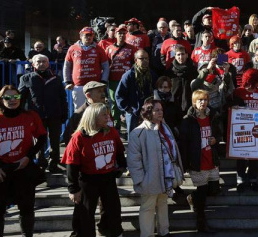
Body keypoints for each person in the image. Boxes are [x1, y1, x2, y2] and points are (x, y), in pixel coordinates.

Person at [61, 103, 126, 237]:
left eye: (107, 114)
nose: (107, 117)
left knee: (113, 210)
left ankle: (113, 232)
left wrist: (121, 166)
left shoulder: (111, 132)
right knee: (85, 213)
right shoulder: (79, 137)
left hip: (108, 178)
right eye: (103, 114)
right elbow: (71, 164)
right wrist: (73, 189)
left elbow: (119, 151)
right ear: (93, 117)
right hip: (87, 179)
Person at [127, 99, 183, 237]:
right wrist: (141, 180)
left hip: (165, 176)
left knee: (163, 203)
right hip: (149, 179)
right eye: (156, 110)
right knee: (148, 207)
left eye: (161, 110)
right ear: (148, 112)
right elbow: (134, 160)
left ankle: (164, 232)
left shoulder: (165, 127)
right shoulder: (138, 133)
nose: (160, 112)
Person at [0, 85, 47, 237]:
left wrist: (28, 157)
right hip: (1, 170)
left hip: (23, 168)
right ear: (1, 100)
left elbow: (42, 137)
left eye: (16, 97)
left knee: (26, 208)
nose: (12, 100)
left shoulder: (31, 116)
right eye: (8, 97)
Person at [179, 90, 221, 233]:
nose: (203, 102)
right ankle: (201, 223)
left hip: (211, 159)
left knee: (214, 189)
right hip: (197, 161)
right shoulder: (188, 120)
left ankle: (192, 197)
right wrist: (185, 164)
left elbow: (219, 133)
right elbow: (184, 143)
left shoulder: (213, 116)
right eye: (200, 100)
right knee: (202, 195)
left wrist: (216, 140)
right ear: (194, 102)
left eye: (205, 100)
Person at [18, 54, 67, 173]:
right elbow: (21, 98)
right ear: (33, 64)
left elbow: (62, 97)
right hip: (36, 116)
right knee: (39, 141)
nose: (42, 64)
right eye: (38, 61)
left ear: (48, 63)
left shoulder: (56, 78)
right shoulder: (26, 78)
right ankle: (41, 163)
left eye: (44, 61)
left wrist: (64, 113)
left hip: (54, 114)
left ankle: (54, 163)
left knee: (55, 140)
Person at [232, 69, 258, 192]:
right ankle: (240, 179)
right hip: (241, 128)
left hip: (256, 129)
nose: (257, 84)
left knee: (254, 156)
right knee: (240, 156)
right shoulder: (238, 92)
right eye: (256, 81)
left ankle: (253, 179)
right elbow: (231, 107)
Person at [63, 27, 109, 109]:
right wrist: (67, 81)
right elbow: (67, 66)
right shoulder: (72, 48)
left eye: (90, 35)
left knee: (96, 110)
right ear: (80, 36)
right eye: (86, 35)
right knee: (79, 110)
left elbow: (105, 66)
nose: (89, 37)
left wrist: (103, 80)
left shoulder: (99, 49)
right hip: (79, 86)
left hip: (95, 86)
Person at [116, 49, 157, 135]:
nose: (145, 61)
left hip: (149, 112)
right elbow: (119, 95)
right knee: (133, 138)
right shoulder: (129, 75)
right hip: (133, 113)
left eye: (147, 58)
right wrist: (127, 108)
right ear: (136, 60)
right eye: (142, 58)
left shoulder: (152, 75)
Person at [105, 26, 138, 131]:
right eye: (119, 33)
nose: (122, 35)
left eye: (124, 33)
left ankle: (129, 125)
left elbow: (136, 64)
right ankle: (116, 125)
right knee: (114, 102)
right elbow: (105, 65)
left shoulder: (132, 48)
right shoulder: (109, 49)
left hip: (127, 80)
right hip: (113, 79)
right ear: (115, 35)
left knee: (129, 101)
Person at [165, 44, 198, 114]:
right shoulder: (170, 71)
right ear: (175, 56)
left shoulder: (193, 70)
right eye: (178, 55)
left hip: (189, 104)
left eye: (182, 54)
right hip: (174, 105)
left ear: (187, 55)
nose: (181, 57)